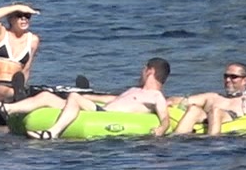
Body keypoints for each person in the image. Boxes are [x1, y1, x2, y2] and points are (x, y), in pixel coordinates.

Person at [14, 57, 171, 139]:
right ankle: (8, 108)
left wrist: (161, 129)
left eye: (143, 70)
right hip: (100, 109)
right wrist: (88, 95)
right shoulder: (135, 89)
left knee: (74, 97)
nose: (140, 73)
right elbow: (111, 99)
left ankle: (52, 133)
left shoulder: (156, 96)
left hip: (105, 116)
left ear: (150, 71)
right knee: (47, 96)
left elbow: (165, 118)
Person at [170, 62, 246, 135]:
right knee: (193, 109)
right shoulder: (212, 97)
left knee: (215, 111)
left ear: (244, 80)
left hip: (228, 138)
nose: (228, 80)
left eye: (233, 77)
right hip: (204, 125)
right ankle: (177, 141)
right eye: (226, 76)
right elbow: (184, 100)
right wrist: (167, 101)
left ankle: (212, 143)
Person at [0, 2, 41, 102]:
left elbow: (26, 69)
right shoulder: (0, 34)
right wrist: (18, 7)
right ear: (10, 19)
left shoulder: (33, 40)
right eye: (19, 15)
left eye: (27, 16)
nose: (24, 19)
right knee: (12, 93)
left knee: (43, 94)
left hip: (16, 87)